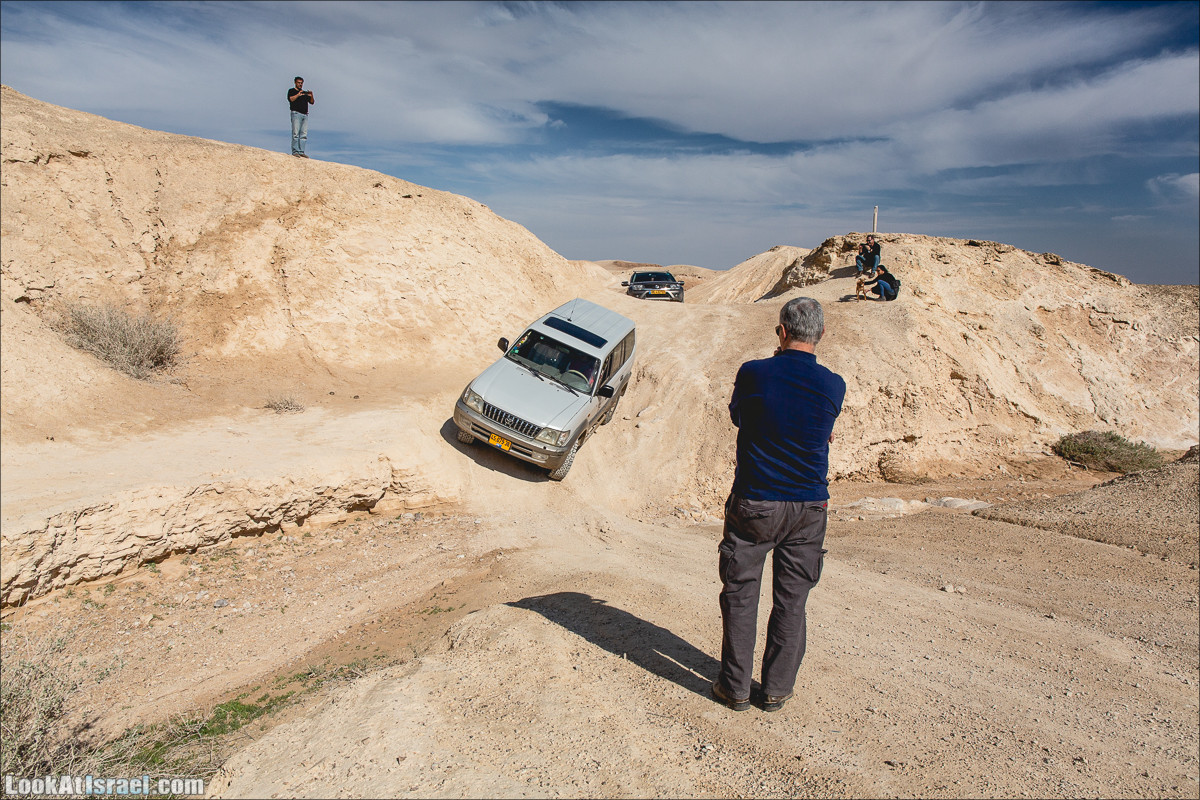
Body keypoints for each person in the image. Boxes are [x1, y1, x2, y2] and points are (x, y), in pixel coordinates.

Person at [713, 297, 846, 713]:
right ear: (821, 334)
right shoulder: (834, 384)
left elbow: (739, 417)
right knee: (792, 601)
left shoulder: (753, 373)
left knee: (740, 594)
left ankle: (734, 689)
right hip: (810, 507)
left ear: (782, 332)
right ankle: (775, 691)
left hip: (756, 502)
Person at [288, 76, 315, 158]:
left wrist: (311, 95)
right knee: (295, 133)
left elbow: (312, 102)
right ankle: (295, 151)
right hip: (296, 113)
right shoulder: (292, 91)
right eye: (299, 83)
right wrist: (298, 95)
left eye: (301, 83)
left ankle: (301, 151)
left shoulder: (304, 93)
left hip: (305, 114)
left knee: (303, 134)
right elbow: (291, 99)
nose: (300, 84)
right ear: (295, 83)